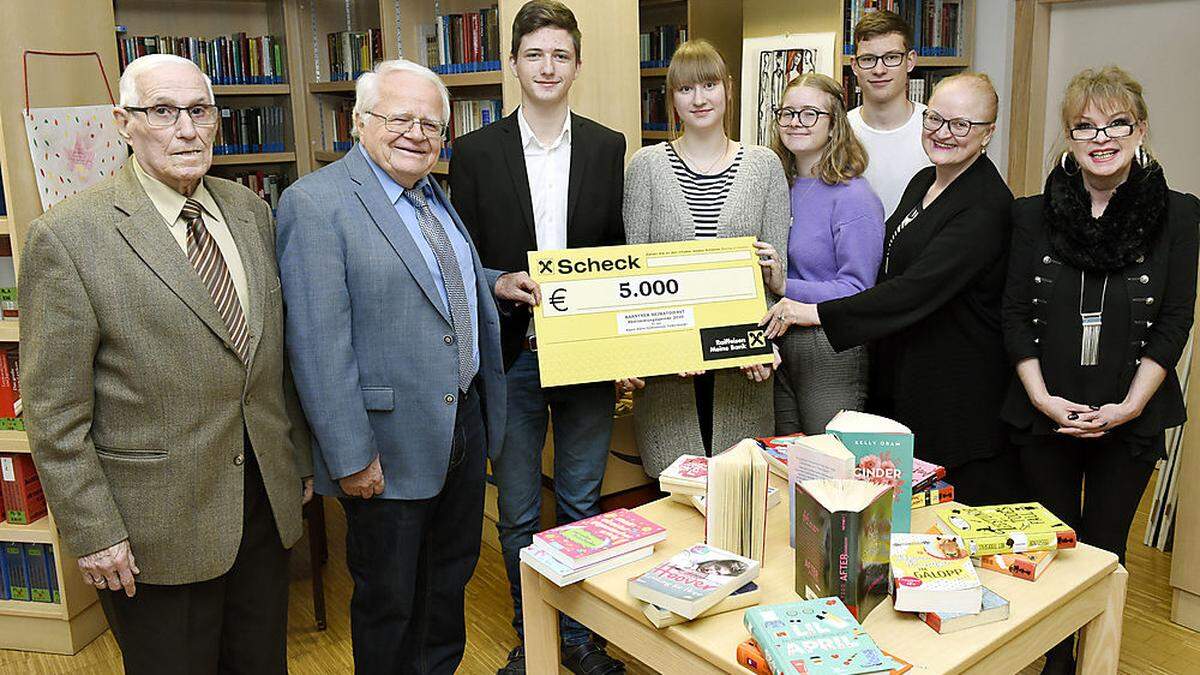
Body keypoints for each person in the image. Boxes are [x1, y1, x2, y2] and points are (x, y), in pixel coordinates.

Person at [19, 53, 311, 674]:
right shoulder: (69, 236)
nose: (186, 129)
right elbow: (54, 412)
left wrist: (297, 460)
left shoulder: (249, 210)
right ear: (124, 122)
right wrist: (95, 529)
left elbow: (271, 358)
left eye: (199, 111)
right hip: (154, 529)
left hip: (261, 505)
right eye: (163, 112)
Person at [275, 59, 506, 674]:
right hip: (384, 442)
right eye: (400, 118)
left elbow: (425, 282)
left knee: (447, 583)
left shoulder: (433, 194)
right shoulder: (316, 204)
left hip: (459, 423)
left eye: (432, 123)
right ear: (359, 121)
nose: (418, 134)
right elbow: (318, 343)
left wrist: (495, 283)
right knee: (389, 600)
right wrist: (351, 455)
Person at [1001, 66, 1198, 675]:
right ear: (1068, 137)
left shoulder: (1180, 214)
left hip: (1130, 414)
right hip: (1044, 412)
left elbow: (1174, 320)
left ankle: (1095, 665)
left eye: (1117, 123)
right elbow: (1013, 312)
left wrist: (1131, 407)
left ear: (1139, 130)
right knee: (1053, 551)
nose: (1101, 136)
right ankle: (1055, 664)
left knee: (1104, 553)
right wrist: (1040, 398)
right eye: (1084, 126)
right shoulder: (1033, 214)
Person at [448, 2, 627, 673]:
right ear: (513, 63)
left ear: (576, 65)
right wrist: (495, 279)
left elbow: (619, 255)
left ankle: (581, 640)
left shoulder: (610, 147)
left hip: (587, 355)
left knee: (583, 502)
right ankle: (536, 642)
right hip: (509, 357)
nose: (547, 66)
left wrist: (627, 350)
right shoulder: (472, 152)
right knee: (519, 511)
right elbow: (459, 255)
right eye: (534, 54)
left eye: (560, 54)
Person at [762, 73, 1025, 505]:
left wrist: (815, 311)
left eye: (961, 125)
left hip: (957, 389)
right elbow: (889, 266)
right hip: (908, 372)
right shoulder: (925, 181)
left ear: (988, 133)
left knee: (941, 519)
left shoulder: (987, 205)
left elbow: (914, 289)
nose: (943, 133)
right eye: (935, 118)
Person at [622, 39, 790, 477]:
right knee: (677, 501)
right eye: (685, 89)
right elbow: (634, 278)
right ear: (672, 98)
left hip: (743, 372)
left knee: (743, 502)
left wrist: (763, 341)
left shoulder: (765, 165)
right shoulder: (646, 166)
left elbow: (776, 282)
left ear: (728, 89)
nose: (699, 99)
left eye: (710, 85)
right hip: (668, 376)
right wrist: (650, 353)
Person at [767, 72, 884, 435]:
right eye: (787, 113)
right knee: (783, 464)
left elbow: (858, 289)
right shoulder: (775, 184)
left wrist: (786, 286)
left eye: (809, 114)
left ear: (834, 125)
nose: (795, 123)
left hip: (828, 345)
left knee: (828, 466)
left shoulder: (854, 197)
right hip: (777, 344)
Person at [847, 10, 932, 219]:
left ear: (910, 61)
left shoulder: (935, 130)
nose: (879, 69)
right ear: (854, 66)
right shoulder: (839, 131)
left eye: (891, 57)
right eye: (868, 59)